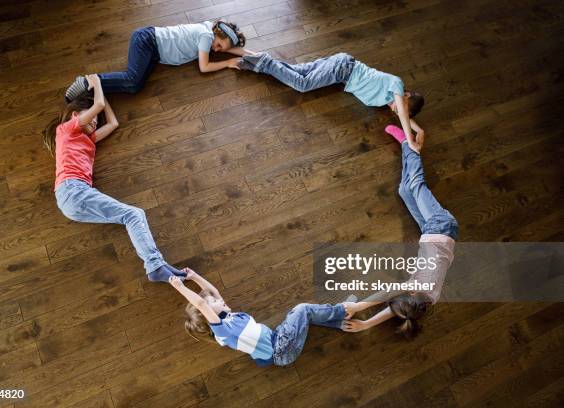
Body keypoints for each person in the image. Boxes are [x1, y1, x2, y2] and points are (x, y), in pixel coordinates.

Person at [44, 74, 185, 282]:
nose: (94, 120)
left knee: (129, 216)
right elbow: (98, 104)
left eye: (95, 119)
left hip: (72, 201)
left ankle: (157, 265)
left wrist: (105, 99)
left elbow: (113, 123)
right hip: (73, 190)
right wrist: (97, 84)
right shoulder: (65, 130)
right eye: (91, 116)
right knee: (134, 215)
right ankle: (155, 265)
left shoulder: (88, 139)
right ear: (75, 115)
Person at [341, 125, 458, 338]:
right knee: (415, 184)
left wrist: (367, 324)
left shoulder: (427, 299)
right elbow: (388, 293)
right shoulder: (420, 286)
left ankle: (407, 148)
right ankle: (408, 143)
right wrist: (358, 309)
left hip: (430, 233)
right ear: (411, 294)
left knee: (404, 191)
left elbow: (403, 310)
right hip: (441, 224)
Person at [239, 52, 425, 152]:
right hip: (344, 69)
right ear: (406, 95)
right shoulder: (397, 85)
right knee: (302, 84)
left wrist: (419, 131)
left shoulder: (389, 98)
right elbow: (402, 112)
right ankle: (266, 61)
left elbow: (403, 115)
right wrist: (410, 142)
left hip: (341, 68)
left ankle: (252, 61)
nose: (395, 109)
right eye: (401, 106)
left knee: (298, 71)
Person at [170, 269, 357, 366]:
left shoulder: (227, 317)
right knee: (302, 310)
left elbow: (213, 291)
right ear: (208, 315)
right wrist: (180, 288)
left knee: (302, 316)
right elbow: (202, 304)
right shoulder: (223, 332)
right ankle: (343, 310)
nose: (217, 299)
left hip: (279, 339)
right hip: (280, 350)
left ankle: (341, 322)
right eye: (213, 302)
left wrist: (194, 277)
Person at [64, 21, 251, 101]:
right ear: (216, 34)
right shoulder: (206, 36)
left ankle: (94, 87)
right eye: (218, 45)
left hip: (154, 51)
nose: (216, 50)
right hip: (148, 41)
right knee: (131, 80)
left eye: (221, 50)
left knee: (133, 87)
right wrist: (227, 63)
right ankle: (87, 81)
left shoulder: (212, 30)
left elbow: (230, 46)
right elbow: (204, 67)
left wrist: (249, 54)